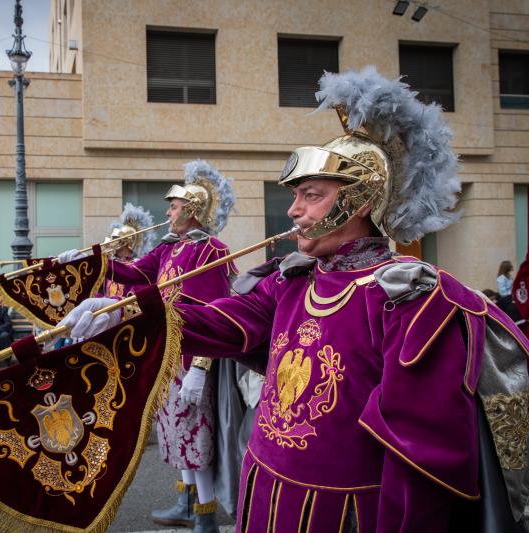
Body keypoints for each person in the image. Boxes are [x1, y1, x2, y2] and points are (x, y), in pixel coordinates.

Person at [64, 68, 529, 532]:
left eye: (311, 195)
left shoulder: (408, 298)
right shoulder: (294, 280)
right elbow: (222, 322)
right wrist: (129, 314)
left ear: (360, 201)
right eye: (297, 196)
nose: (293, 210)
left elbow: (418, 463)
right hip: (267, 497)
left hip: (347, 515)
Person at [60, 161, 240, 531]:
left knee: (196, 437)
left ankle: (205, 517)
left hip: (191, 361)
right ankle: (186, 503)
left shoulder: (211, 251)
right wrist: (92, 262)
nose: (168, 212)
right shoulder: (169, 249)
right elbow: (134, 272)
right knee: (175, 435)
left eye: (173, 206)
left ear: (190, 210)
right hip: (164, 355)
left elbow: (214, 313)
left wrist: (200, 369)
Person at [102, 202, 155, 298]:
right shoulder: (112, 264)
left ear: (125, 243)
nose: (110, 242)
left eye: (115, 239)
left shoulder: (137, 266)